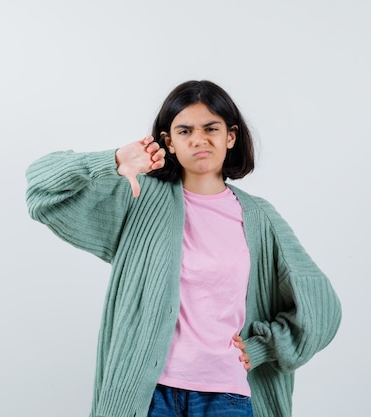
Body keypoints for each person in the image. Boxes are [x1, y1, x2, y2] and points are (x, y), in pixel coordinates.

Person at [26, 80, 341, 417]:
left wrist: (263, 346)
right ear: (169, 142)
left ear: (230, 137)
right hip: (149, 395)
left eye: (211, 128)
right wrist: (115, 160)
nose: (198, 139)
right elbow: (42, 190)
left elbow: (322, 307)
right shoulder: (140, 200)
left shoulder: (259, 219)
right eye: (185, 130)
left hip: (227, 397)